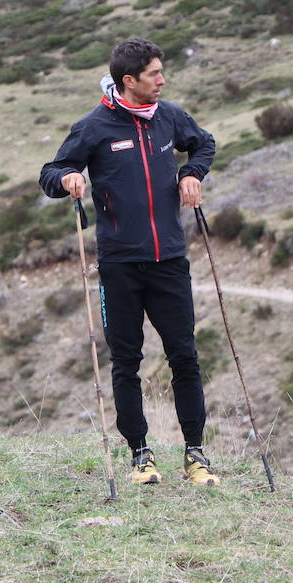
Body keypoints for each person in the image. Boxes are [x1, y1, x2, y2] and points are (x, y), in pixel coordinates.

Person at [39, 38, 219, 486]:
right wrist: (69, 177)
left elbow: (205, 145)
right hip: (119, 265)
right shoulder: (94, 127)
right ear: (129, 81)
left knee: (185, 357)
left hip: (170, 261)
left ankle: (195, 456)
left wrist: (192, 173)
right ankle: (141, 455)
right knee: (126, 362)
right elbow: (50, 174)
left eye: (162, 71)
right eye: (154, 74)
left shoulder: (170, 117)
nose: (162, 80)